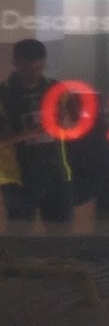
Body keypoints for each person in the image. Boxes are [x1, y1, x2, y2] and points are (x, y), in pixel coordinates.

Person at [0, 39, 74, 223]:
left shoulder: (57, 89)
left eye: (39, 68)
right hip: (17, 177)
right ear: (16, 64)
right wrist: (26, 134)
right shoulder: (3, 94)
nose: (34, 74)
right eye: (28, 69)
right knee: (20, 232)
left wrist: (63, 121)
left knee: (61, 231)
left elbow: (71, 127)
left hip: (56, 172)